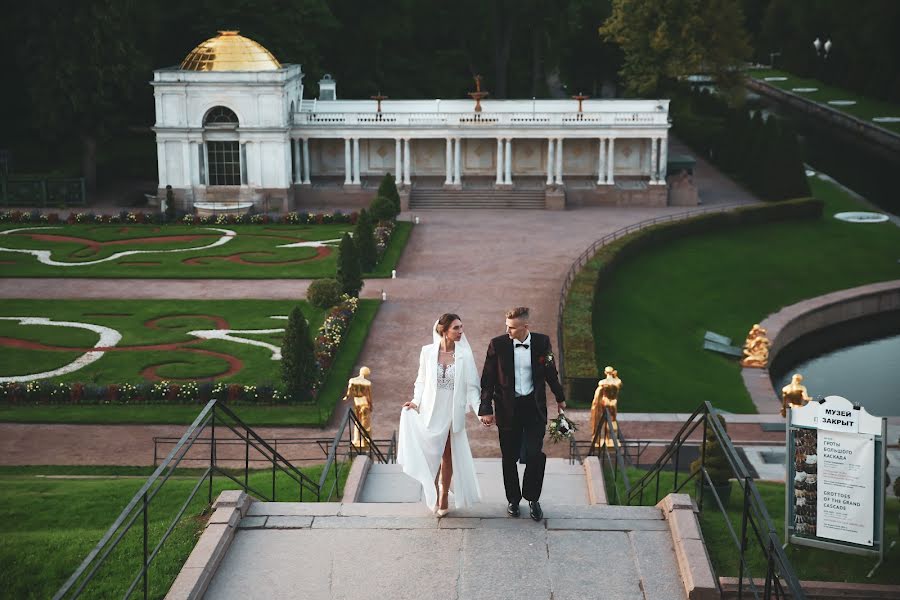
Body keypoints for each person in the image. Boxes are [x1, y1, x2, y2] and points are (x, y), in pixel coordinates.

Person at [478, 307, 566, 521]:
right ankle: (513, 500)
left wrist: (560, 398)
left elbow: (550, 372)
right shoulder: (497, 345)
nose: (507, 331)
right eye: (506, 326)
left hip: (534, 408)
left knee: (535, 455)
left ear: (525, 327)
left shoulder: (541, 343)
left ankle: (532, 498)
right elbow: (488, 379)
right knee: (509, 457)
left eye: (512, 327)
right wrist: (486, 408)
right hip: (507, 409)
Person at [397, 314, 481, 517]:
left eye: (461, 327)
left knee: (446, 454)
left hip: (452, 412)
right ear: (443, 331)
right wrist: (415, 402)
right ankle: (432, 486)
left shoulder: (465, 356)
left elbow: (472, 388)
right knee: (430, 453)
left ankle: (443, 496)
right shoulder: (427, 352)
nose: (461, 331)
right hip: (429, 411)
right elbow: (421, 381)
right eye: (456, 328)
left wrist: (481, 413)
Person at [343, 366, 373, 449]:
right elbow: (369, 396)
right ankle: (364, 440)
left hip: (357, 402)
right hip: (364, 403)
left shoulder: (352, 380)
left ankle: (356, 440)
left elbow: (349, 391)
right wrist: (371, 405)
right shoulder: (367, 383)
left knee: (357, 422)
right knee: (365, 423)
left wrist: (346, 397)